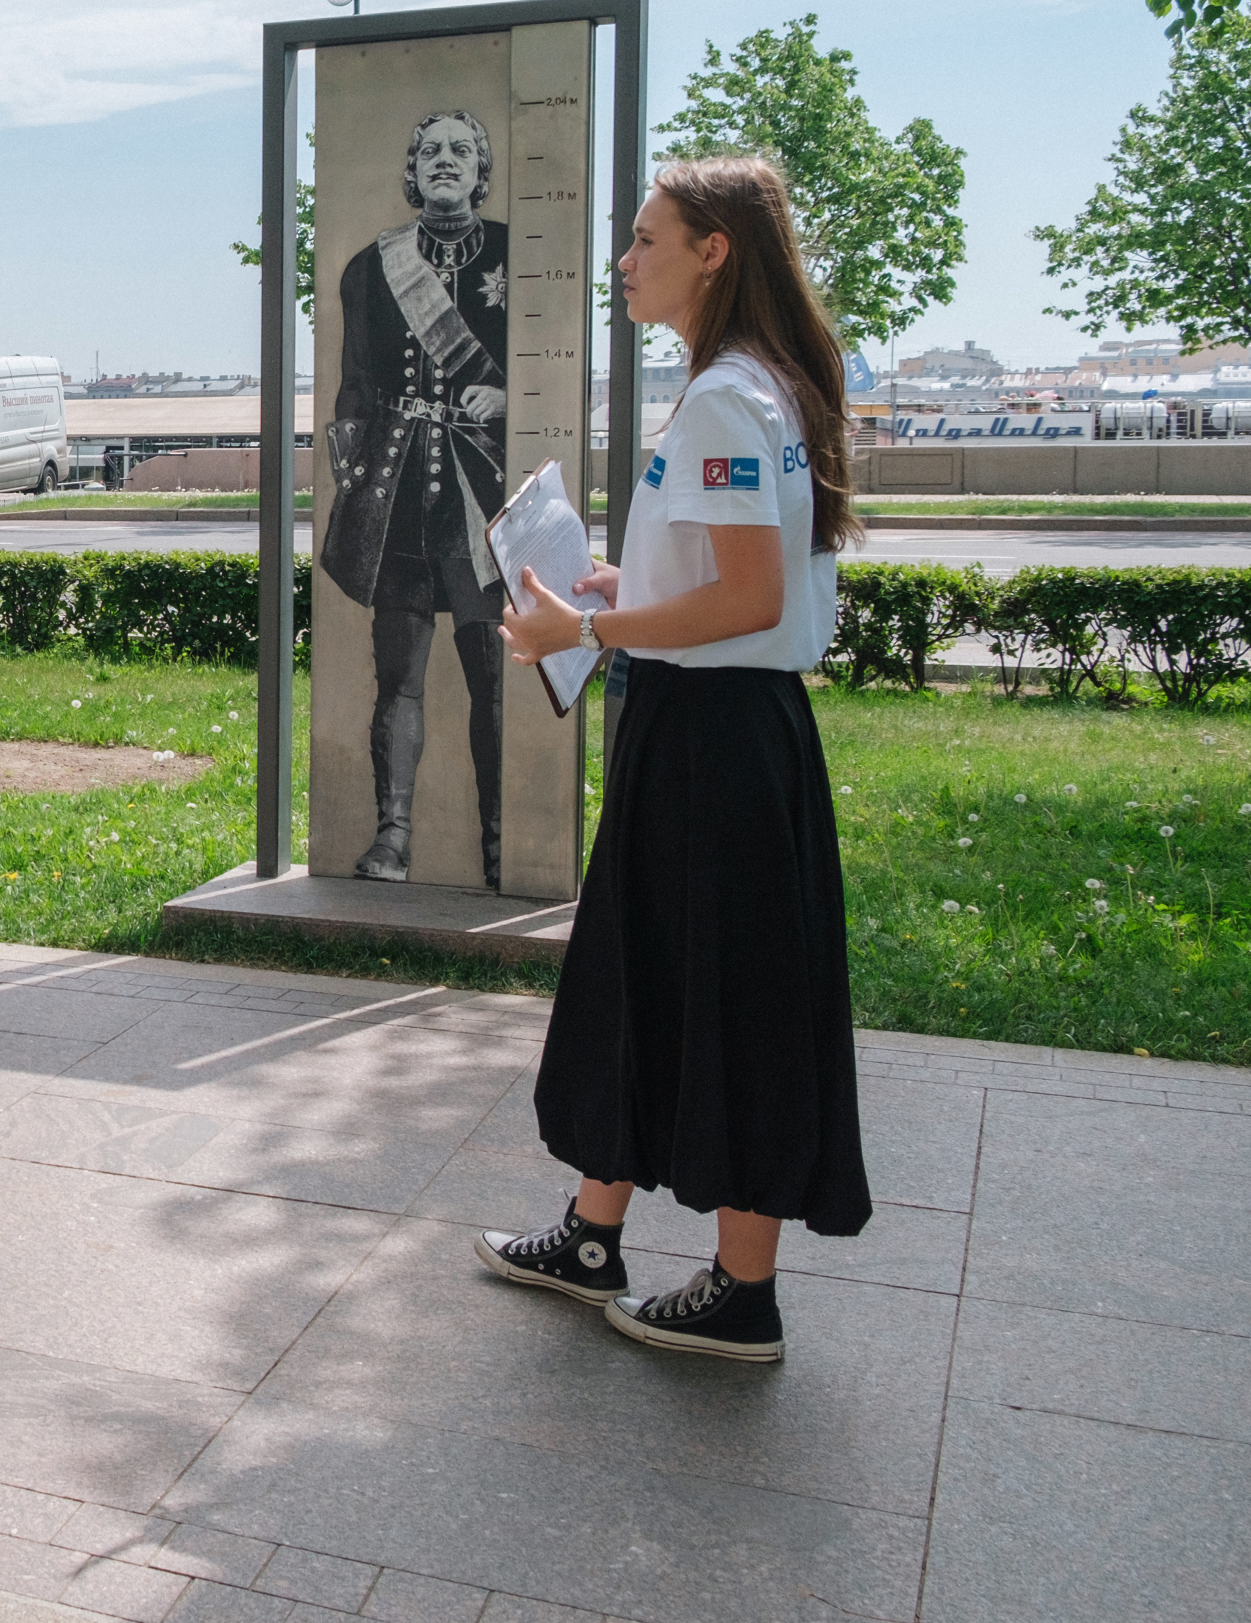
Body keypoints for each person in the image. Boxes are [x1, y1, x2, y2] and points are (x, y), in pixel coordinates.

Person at [477, 157, 870, 1363]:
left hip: (718, 741)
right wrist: (625, 583)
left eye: (647, 239)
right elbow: (728, 580)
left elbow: (749, 600)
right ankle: (596, 1234)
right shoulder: (758, 385)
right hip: (715, 734)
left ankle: (743, 1291)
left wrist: (584, 626)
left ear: (715, 252)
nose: (624, 261)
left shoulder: (724, 398)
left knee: (732, 996)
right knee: (641, 971)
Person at [318, 110, 511, 888]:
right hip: (400, 491)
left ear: (480, 170)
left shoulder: (510, 255)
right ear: (412, 169)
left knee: (489, 672)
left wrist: (508, 401)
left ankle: (500, 841)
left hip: (481, 491)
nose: (444, 162)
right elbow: (356, 386)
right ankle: (392, 837)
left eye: (460, 151)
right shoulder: (372, 267)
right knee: (397, 673)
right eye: (430, 151)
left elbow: (542, 373)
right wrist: (350, 461)